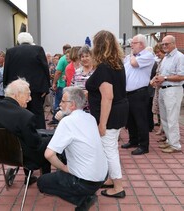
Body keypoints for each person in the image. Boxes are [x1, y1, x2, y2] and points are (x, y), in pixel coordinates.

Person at [37, 87, 108, 211]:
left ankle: (82, 199)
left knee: (42, 183)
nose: (60, 104)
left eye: (63, 101)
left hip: (85, 181)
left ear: (73, 105)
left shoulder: (67, 122)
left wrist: (64, 168)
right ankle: (84, 194)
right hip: (102, 175)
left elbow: (49, 154)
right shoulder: (90, 118)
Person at [86, 30, 128, 198]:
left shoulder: (104, 67)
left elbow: (108, 97)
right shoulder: (117, 63)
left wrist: (102, 124)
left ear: (98, 46)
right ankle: (112, 179)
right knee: (111, 148)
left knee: (109, 149)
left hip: (110, 114)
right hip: (120, 109)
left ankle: (118, 186)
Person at [0, 78, 51, 185]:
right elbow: (35, 144)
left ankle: (24, 173)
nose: (30, 99)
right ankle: (46, 181)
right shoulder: (26, 116)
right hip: (21, 157)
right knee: (48, 142)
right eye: (28, 95)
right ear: (17, 95)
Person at [3, 32, 50, 129]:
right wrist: (46, 87)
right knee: (37, 113)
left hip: (16, 90)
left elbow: (6, 70)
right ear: (31, 40)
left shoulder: (11, 51)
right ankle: (40, 135)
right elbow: (45, 68)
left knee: (17, 112)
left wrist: (6, 87)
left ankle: (20, 136)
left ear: (19, 41)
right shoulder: (38, 49)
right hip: (36, 89)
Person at [121, 34, 155, 155]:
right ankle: (133, 140)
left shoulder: (147, 55)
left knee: (141, 120)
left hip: (139, 93)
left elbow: (134, 63)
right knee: (130, 119)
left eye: (133, 43)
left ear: (141, 44)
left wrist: (130, 56)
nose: (131, 45)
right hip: (128, 93)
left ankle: (144, 145)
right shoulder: (132, 57)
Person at [151, 35, 184, 153]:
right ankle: (169, 141)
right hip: (163, 89)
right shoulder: (166, 58)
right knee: (164, 118)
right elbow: (160, 73)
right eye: (163, 44)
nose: (164, 46)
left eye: (166, 44)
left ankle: (175, 145)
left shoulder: (179, 57)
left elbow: (181, 76)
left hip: (173, 90)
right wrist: (155, 79)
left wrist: (164, 78)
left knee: (172, 118)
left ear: (174, 44)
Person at [48, 44, 71, 126]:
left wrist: (54, 83)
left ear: (63, 50)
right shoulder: (72, 59)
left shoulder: (63, 59)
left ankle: (56, 119)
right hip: (69, 85)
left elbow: (58, 72)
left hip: (61, 84)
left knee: (58, 102)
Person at [150, 43, 166, 136]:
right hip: (159, 88)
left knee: (165, 112)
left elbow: (161, 75)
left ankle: (163, 130)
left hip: (164, 88)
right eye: (156, 52)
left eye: (158, 52)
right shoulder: (161, 61)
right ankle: (162, 128)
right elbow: (157, 74)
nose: (157, 54)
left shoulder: (165, 61)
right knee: (160, 110)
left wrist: (154, 81)